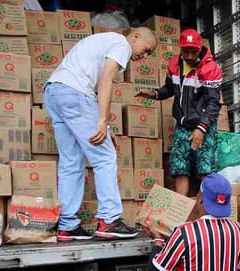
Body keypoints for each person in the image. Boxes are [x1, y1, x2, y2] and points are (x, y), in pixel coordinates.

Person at [45, 28, 157, 241]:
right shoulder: (121, 44)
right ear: (135, 37)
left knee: (70, 162)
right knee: (105, 157)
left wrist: (105, 127)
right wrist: (103, 120)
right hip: (74, 93)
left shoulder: (103, 41)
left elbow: (91, 92)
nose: (145, 56)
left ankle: (67, 224)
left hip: (55, 91)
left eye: (149, 54)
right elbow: (106, 82)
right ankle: (109, 220)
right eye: (146, 49)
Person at [136, 28, 222, 197]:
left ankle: (206, 211)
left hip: (203, 126)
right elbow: (169, 89)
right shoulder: (174, 65)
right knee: (179, 168)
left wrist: (201, 128)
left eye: (193, 51)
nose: (189, 56)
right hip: (182, 125)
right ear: (180, 48)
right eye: (185, 51)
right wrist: (154, 94)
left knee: (205, 169)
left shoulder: (210, 69)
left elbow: (213, 103)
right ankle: (181, 213)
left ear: (200, 48)